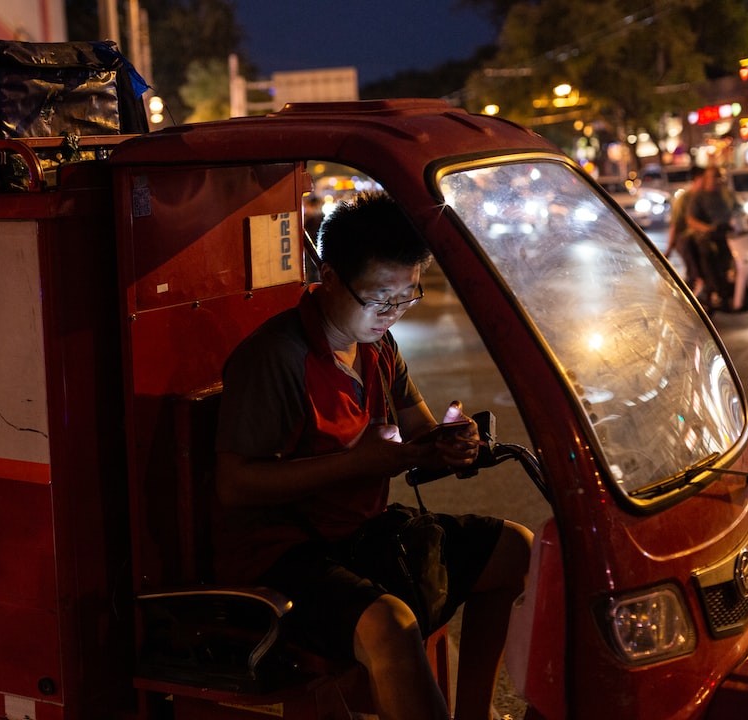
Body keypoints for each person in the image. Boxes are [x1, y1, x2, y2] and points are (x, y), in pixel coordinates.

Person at [214, 190, 533, 720]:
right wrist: (355, 465)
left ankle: (474, 711)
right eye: (379, 298)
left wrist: (452, 442)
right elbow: (234, 485)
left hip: (361, 533)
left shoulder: (378, 346)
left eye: (406, 297)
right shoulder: (277, 357)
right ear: (331, 276)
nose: (392, 313)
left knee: (514, 549)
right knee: (392, 625)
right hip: (283, 556)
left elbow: (419, 432)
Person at [686, 165, 735, 311]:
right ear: (706, 179)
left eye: (719, 177)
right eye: (714, 177)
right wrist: (707, 228)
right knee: (709, 255)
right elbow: (691, 219)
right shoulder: (699, 197)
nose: (718, 180)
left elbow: (738, 209)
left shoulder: (726, 195)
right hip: (709, 237)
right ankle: (714, 289)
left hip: (729, 235)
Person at [665, 167, 702, 293]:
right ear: (697, 179)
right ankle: (696, 280)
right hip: (687, 239)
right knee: (687, 245)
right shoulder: (684, 198)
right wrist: (669, 248)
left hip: (706, 237)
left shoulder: (711, 197)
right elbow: (675, 223)